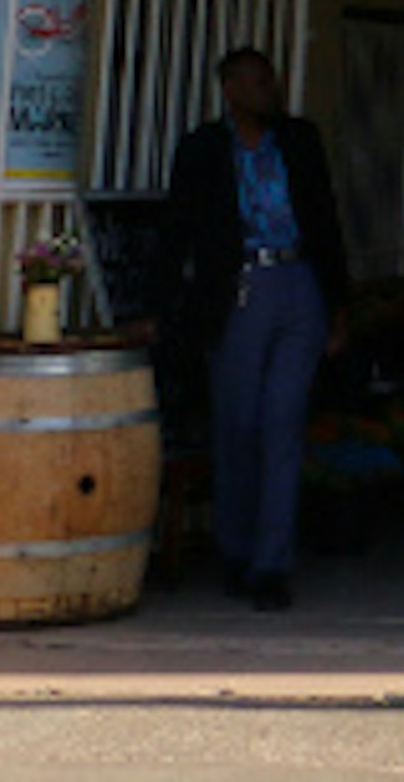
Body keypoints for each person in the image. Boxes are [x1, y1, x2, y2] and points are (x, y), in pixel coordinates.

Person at [165, 48, 349, 612]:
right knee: (238, 424)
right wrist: (165, 307)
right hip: (239, 290)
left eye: (270, 79)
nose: (268, 90)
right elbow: (179, 229)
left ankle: (272, 563)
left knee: (282, 421)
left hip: (297, 282)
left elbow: (325, 217)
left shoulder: (299, 140)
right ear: (230, 90)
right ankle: (237, 550)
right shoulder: (203, 149)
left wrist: (338, 306)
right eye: (256, 82)